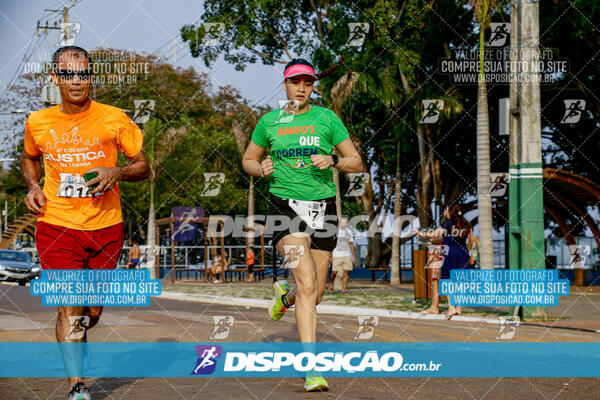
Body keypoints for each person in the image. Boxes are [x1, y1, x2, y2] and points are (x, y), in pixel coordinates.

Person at [21, 46, 150, 400]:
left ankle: (80, 332)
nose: (76, 81)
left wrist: (117, 170)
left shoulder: (114, 118)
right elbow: (29, 158)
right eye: (68, 74)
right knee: (70, 301)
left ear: (91, 76)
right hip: (57, 225)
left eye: (82, 74)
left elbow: (143, 166)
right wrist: (33, 187)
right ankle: (77, 385)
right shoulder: (38, 122)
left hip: (106, 226)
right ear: (55, 78)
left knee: (90, 310)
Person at [242, 58, 362, 392]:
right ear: (285, 85)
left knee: (316, 292)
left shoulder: (327, 119)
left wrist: (334, 160)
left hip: (323, 210)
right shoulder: (269, 122)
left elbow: (356, 161)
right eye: (296, 82)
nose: (302, 88)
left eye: (307, 83)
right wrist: (260, 168)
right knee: (308, 284)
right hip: (285, 209)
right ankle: (312, 369)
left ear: (312, 86)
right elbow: (248, 159)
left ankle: (285, 298)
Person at [415, 205, 472, 319]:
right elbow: (470, 241)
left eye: (446, 210)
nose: (444, 212)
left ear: (450, 212)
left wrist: (421, 233)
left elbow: (434, 234)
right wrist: (468, 253)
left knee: (447, 280)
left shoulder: (447, 223)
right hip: (464, 253)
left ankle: (451, 309)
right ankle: (458, 309)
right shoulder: (467, 224)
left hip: (450, 253)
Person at [328, 217, 357, 294]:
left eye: (344, 222)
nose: (343, 224)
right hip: (336, 255)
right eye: (342, 222)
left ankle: (343, 290)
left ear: (346, 224)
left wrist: (354, 256)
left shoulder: (349, 232)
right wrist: (330, 256)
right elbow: (330, 245)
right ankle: (331, 283)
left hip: (346, 255)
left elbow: (351, 245)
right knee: (334, 272)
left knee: (346, 273)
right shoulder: (335, 232)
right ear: (339, 223)